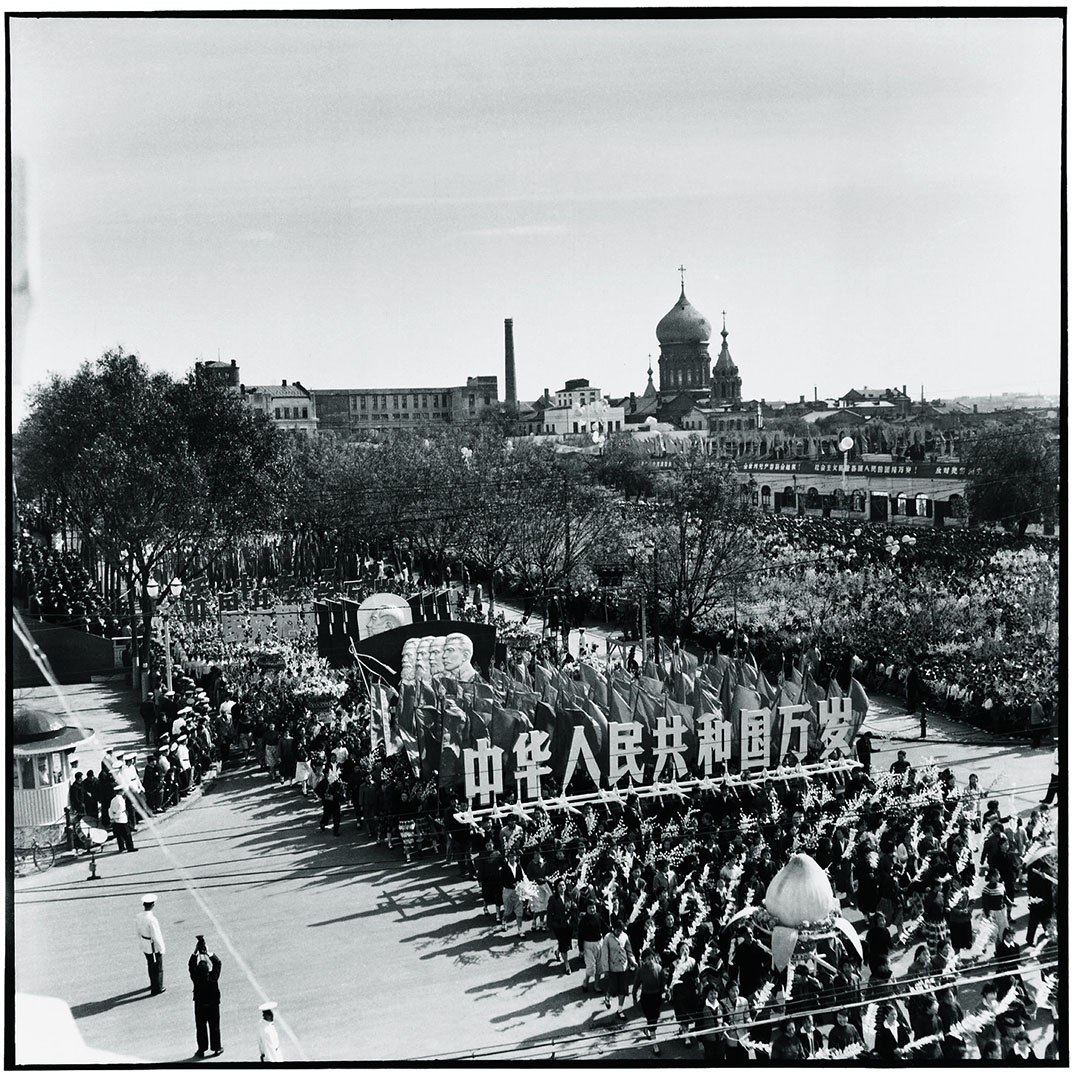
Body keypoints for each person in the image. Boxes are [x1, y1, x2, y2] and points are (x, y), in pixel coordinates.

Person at [188, 934, 223, 1058]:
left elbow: (190, 965)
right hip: (213, 1006)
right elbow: (218, 963)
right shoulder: (213, 978)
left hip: (200, 1006)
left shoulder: (196, 978)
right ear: (208, 969)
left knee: (201, 1028)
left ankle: (201, 1049)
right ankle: (217, 1048)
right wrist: (208, 953)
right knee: (214, 1027)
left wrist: (195, 952)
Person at [600, 916, 634, 1017]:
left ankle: (620, 1009)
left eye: (621, 930)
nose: (619, 932)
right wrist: (605, 969)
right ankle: (608, 996)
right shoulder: (607, 938)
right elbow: (605, 954)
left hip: (623, 966)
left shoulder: (625, 936)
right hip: (613, 967)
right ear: (613, 929)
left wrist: (633, 961)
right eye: (617, 930)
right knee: (613, 987)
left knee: (623, 989)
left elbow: (629, 950)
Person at [633, 946, 665, 1052]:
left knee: (654, 1018)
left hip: (657, 997)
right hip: (646, 997)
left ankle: (647, 1029)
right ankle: (654, 1043)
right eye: (648, 959)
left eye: (652, 958)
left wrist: (665, 991)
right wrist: (634, 997)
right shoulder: (641, 971)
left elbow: (663, 982)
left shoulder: (659, 968)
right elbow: (636, 985)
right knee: (651, 1019)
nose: (650, 961)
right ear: (644, 961)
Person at [136, 894, 166, 995]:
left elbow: (138, 931)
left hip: (145, 943)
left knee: (150, 964)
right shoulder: (152, 920)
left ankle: (153, 983)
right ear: (153, 905)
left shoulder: (139, 916)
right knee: (157, 967)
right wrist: (161, 948)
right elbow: (156, 935)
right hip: (152, 945)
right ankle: (157, 987)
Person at [577, 898, 605, 995]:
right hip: (588, 945)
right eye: (590, 908)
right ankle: (586, 982)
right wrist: (581, 949)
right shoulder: (583, 920)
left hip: (599, 943)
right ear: (586, 909)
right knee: (591, 967)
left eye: (593, 908)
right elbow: (580, 935)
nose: (592, 910)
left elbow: (605, 928)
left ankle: (596, 986)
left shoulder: (598, 917)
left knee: (599, 966)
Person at [109, 785, 136, 853]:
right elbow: (120, 809)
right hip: (121, 818)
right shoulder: (121, 799)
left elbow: (110, 809)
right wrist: (118, 816)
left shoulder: (113, 799)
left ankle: (121, 847)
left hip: (115, 819)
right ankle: (130, 847)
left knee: (119, 834)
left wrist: (112, 817)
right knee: (127, 834)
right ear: (121, 792)